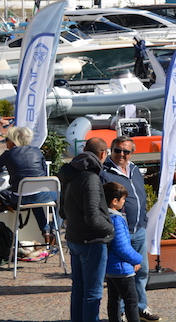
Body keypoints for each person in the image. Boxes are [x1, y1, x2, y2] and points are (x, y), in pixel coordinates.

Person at [101, 137, 160, 322]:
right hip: (119, 231)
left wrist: (143, 220)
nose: (121, 155)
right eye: (118, 150)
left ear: (131, 153)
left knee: (141, 272)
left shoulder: (134, 169)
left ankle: (140, 308)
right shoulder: (104, 172)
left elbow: (140, 196)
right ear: (111, 150)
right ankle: (121, 313)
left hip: (138, 229)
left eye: (126, 152)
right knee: (120, 276)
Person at [59, 137, 116, 322]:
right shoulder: (90, 178)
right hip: (91, 241)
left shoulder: (70, 173)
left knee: (78, 290)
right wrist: (111, 230)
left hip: (75, 238)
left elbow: (62, 209)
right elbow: (92, 216)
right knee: (92, 293)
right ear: (102, 154)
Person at [0, 126, 57, 245]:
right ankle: (52, 229)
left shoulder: (8, 154)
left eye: (7, 139)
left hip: (19, 198)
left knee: (30, 195)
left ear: (13, 140)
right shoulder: (37, 151)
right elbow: (44, 172)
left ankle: (46, 231)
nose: (5, 142)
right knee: (61, 198)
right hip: (39, 194)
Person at [103, 181, 144, 322]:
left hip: (109, 268)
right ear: (115, 201)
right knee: (131, 300)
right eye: (123, 199)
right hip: (121, 268)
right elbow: (121, 247)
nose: (124, 202)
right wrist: (137, 259)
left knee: (113, 300)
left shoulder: (104, 216)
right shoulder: (116, 219)